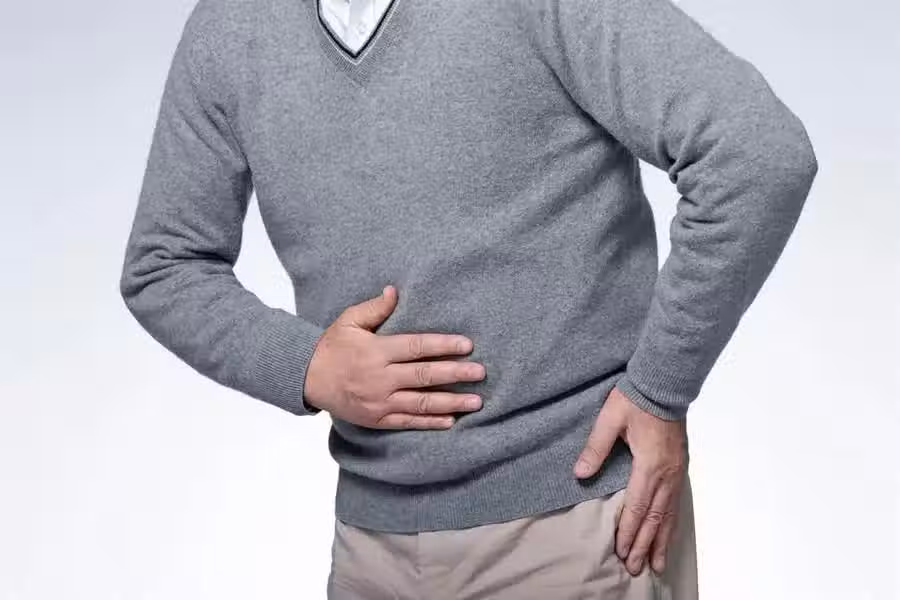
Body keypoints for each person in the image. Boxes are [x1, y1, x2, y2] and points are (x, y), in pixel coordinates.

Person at [118, 0, 818, 597]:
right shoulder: (229, 27)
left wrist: (660, 390)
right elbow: (164, 265)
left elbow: (756, 154)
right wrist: (307, 367)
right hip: (371, 546)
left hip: (576, 530)